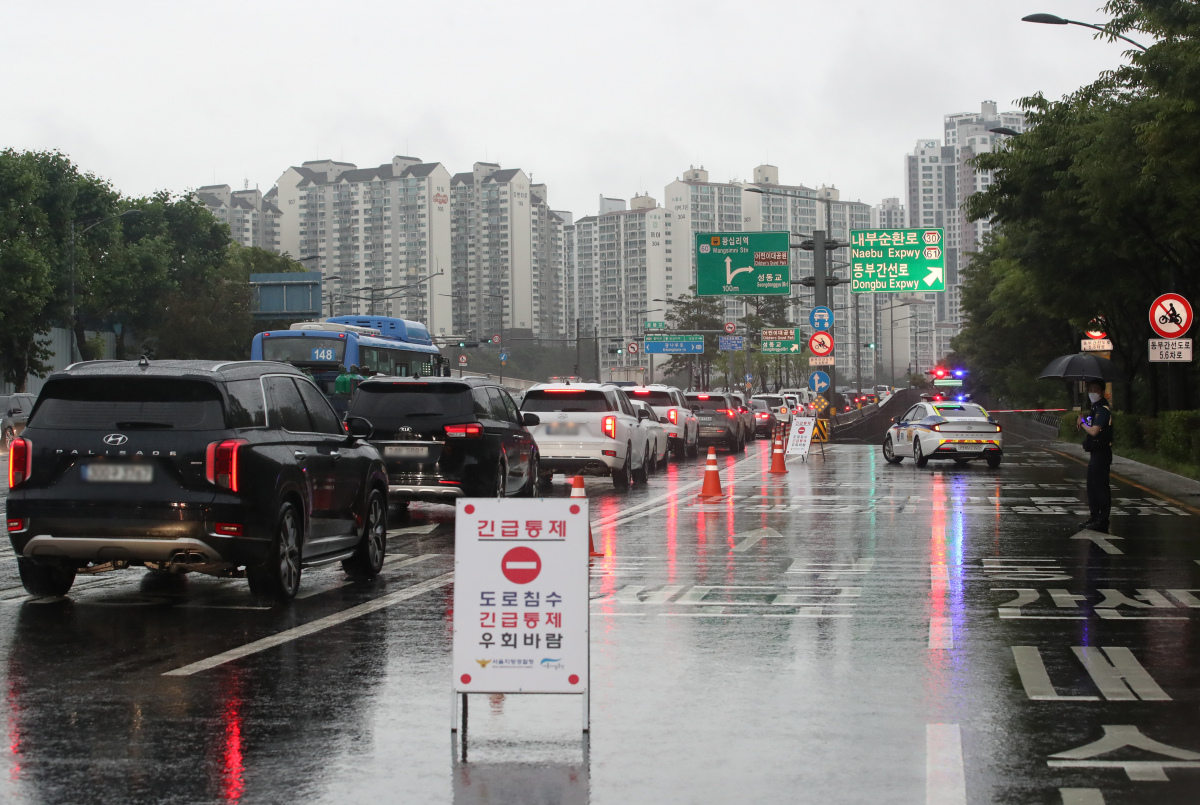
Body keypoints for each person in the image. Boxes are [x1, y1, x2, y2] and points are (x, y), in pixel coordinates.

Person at [1077, 378, 1114, 532]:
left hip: (1102, 453)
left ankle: (1102, 519)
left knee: (1100, 487)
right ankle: (1094, 517)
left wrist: (1084, 424)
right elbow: (1090, 426)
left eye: (1095, 390)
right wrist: (1082, 421)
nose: (1092, 392)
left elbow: (1094, 431)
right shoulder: (1095, 409)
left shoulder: (1103, 410)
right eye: (1090, 389)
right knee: (1092, 487)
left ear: (1102, 392)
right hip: (1095, 454)